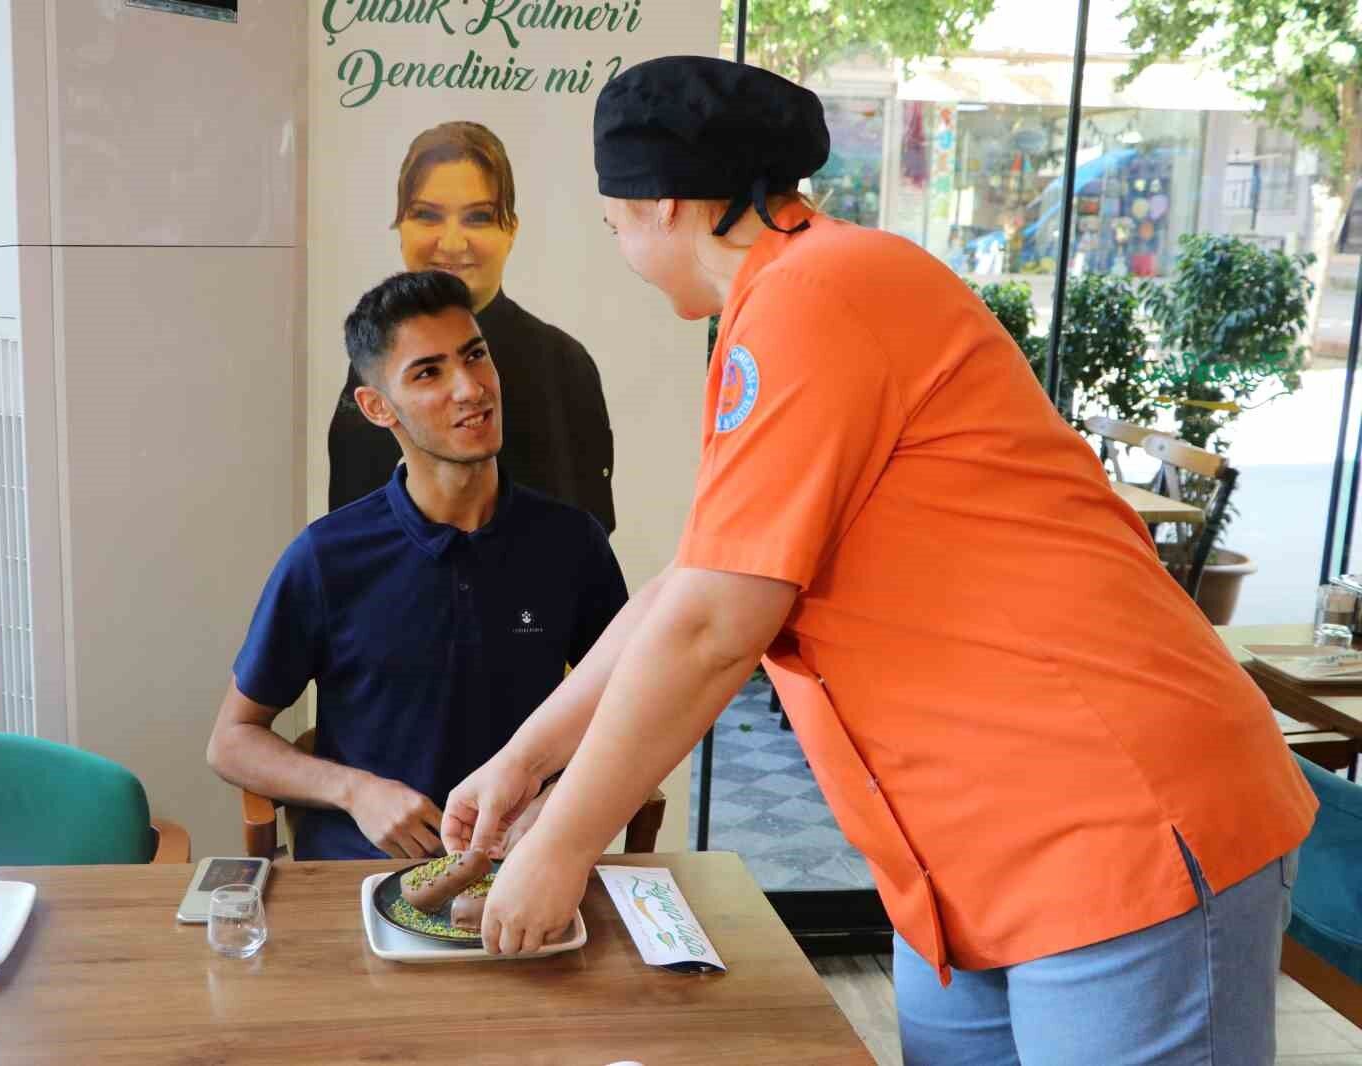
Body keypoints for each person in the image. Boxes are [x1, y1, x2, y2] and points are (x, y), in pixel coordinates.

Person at [440, 56, 1316, 1065]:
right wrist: (523, 764)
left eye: (614, 226)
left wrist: (561, 843)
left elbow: (716, 627)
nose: (623, 251)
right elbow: (693, 586)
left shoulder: (819, 292)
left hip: (1108, 813)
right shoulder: (791, 301)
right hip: (962, 849)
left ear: (661, 204)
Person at [208, 270, 626, 860]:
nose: (471, 388)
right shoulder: (327, 557)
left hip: (520, 866)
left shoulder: (571, 543)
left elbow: (629, 708)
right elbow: (231, 741)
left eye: (475, 356)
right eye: (429, 372)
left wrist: (553, 803)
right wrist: (356, 791)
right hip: (358, 877)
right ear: (377, 406)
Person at [327, 121, 616, 534]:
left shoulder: (565, 362)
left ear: (511, 229)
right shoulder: (371, 364)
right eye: (426, 215)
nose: (452, 243)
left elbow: (592, 528)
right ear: (376, 405)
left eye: (478, 217)